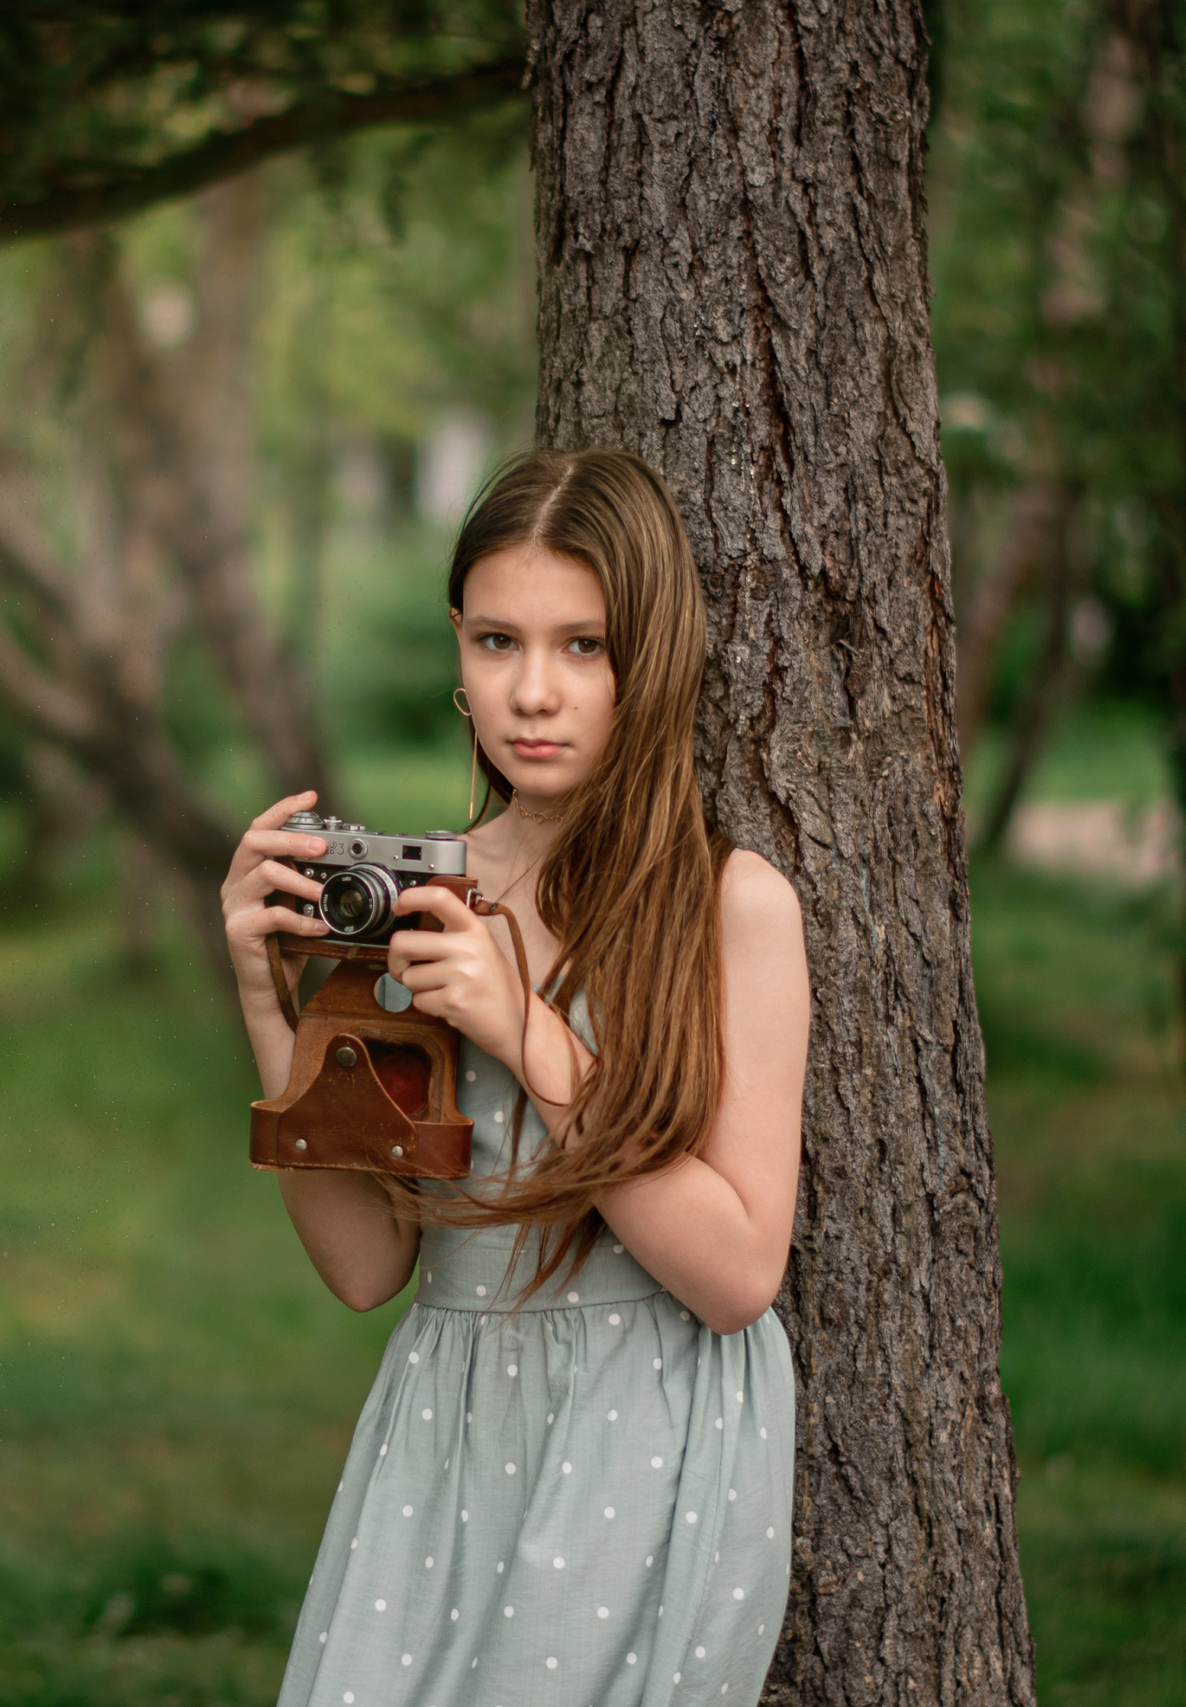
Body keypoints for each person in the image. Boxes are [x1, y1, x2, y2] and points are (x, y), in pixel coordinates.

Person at [220, 448, 811, 1707]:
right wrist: (266, 998)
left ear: (653, 654)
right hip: (442, 1430)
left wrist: (521, 1028)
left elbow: (736, 1276)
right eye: (498, 641)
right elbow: (366, 1268)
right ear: (457, 644)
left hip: (643, 1430)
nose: (533, 692)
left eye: (582, 647)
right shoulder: (424, 896)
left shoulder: (728, 907)